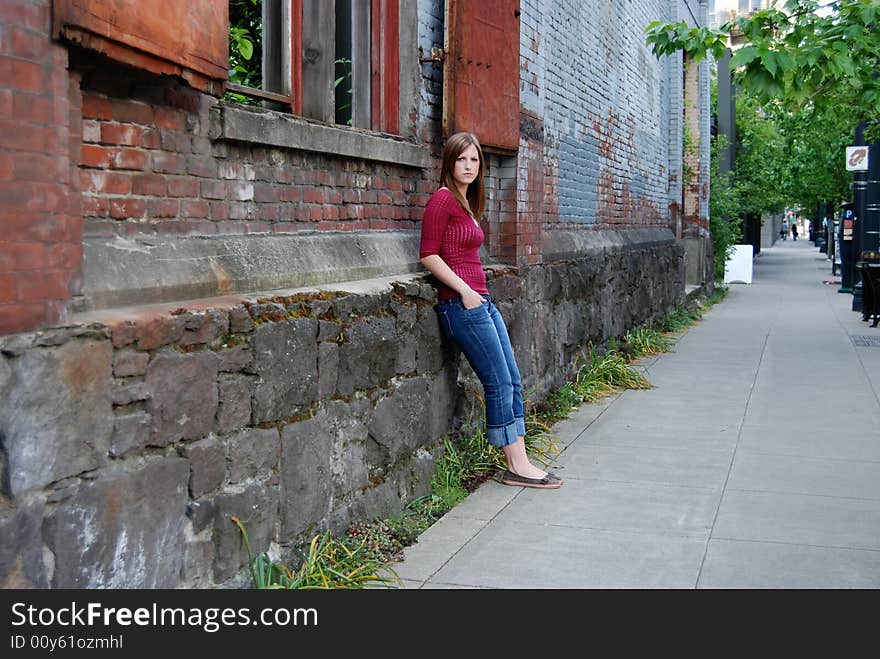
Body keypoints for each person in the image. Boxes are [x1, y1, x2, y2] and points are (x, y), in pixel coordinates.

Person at [418, 132, 563, 489]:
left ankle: (522, 459)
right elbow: (428, 254)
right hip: (461, 305)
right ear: (449, 163)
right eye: (461, 159)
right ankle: (516, 465)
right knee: (497, 381)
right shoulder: (442, 200)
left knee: (512, 377)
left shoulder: (466, 203)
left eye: (474, 160)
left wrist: (476, 294)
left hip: (481, 301)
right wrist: (465, 292)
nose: (468, 166)